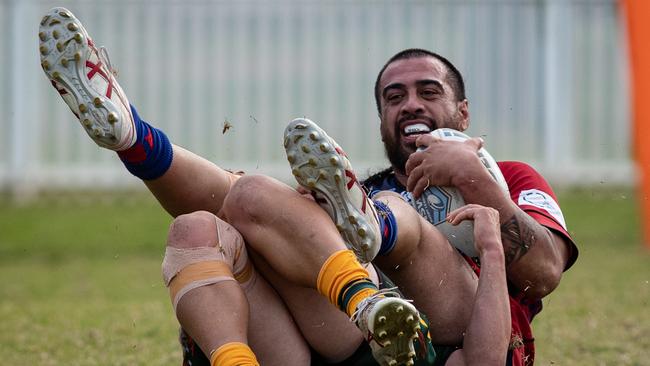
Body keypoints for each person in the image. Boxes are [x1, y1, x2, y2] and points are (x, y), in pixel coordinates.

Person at [38, 6, 574, 365]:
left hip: (459, 339)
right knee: (213, 220)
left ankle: (378, 237)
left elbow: (545, 271)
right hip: (354, 341)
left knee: (390, 211)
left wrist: (474, 179)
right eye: (393, 98)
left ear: (462, 111)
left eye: (426, 91)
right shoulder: (361, 188)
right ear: (381, 122)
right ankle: (133, 139)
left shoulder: (513, 177)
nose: (409, 103)